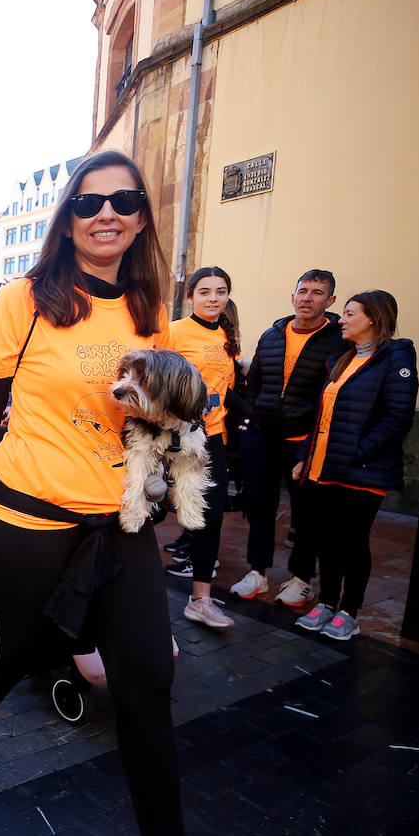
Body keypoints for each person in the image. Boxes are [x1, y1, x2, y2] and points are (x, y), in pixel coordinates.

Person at [0, 151, 200, 836]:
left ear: (142, 217)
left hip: (120, 523)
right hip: (23, 522)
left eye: (123, 200)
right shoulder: (26, 297)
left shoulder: (150, 308)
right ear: (68, 218)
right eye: (88, 202)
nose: (105, 212)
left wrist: (165, 417)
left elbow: (152, 421)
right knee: (3, 659)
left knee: (145, 684)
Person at [292, 291, 418, 640]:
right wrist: (305, 456)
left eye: (349, 314)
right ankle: (328, 602)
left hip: (362, 471)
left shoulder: (396, 359)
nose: (342, 320)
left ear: (374, 319)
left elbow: (397, 419)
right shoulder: (343, 360)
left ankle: (350, 610)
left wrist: (356, 452)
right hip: (325, 469)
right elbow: (323, 417)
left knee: (352, 542)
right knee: (326, 540)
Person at [230, 270, 349, 606]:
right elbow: (253, 383)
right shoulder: (272, 335)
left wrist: (314, 440)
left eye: (316, 292)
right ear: (293, 296)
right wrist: (251, 419)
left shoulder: (339, 341)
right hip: (262, 438)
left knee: (307, 513)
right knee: (259, 506)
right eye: (302, 291)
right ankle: (258, 572)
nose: (307, 298)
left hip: (304, 442)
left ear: (330, 301)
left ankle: (301, 579)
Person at [167, 267, 239, 628]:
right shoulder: (174, 331)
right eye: (205, 291)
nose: (214, 298)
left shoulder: (228, 333)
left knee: (211, 518)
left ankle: (201, 599)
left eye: (221, 291)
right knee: (150, 514)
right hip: (175, 439)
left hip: (213, 439)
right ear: (191, 296)